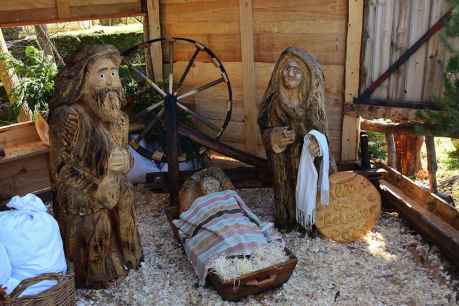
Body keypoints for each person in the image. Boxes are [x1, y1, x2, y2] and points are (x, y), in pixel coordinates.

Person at [48, 45, 142, 288]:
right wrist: (95, 186)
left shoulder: (119, 118)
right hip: (79, 188)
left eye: (114, 73)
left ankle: (129, 255)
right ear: (83, 80)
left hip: (110, 182)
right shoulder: (69, 116)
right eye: (102, 74)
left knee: (125, 194)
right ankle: (96, 271)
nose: (111, 82)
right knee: (94, 216)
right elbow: (61, 169)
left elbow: (124, 154)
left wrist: (126, 162)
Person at [258, 47, 336, 231]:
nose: (290, 74)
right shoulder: (274, 102)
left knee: (313, 186)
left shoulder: (312, 103)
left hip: (307, 158)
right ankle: (287, 219)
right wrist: (275, 137)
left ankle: (313, 221)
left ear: (306, 76)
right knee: (285, 193)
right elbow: (264, 127)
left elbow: (321, 132)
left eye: (296, 70)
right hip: (283, 164)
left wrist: (318, 144)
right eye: (286, 69)